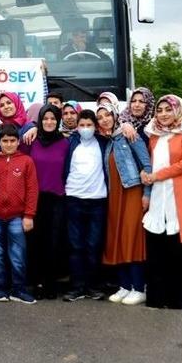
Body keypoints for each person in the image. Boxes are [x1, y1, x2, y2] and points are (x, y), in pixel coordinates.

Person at [141, 95, 182, 310]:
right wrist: (146, 174)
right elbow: (148, 162)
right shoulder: (153, 135)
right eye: (159, 110)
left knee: (179, 253)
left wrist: (157, 175)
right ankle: (156, 297)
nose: (163, 114)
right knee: (156, 251)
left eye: (168, 109)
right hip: (157, 198)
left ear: (178, 111)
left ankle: (177, 299)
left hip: (178, 197)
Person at [97, 103, 151, 305]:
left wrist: (147, 194)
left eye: (107, 115)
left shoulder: (129, 135)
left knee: (133, 239)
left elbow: (146, 165)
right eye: (100, 117)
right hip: (115, 196)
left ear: (115, 115)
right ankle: (124, 285)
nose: (104, 119)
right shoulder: (109, 141)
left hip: (132, 193)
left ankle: (139, 288)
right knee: (117, 238)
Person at [0, 124, 39, 304]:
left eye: (12, 141)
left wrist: (29, 215)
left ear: (18, 142)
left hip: (17, 216)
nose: (8, 144)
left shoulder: (26, 161)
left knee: (17, 255)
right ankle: (0, 289)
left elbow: (32, 189)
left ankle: (18, 289)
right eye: (5, 141)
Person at [22, 104, 69, 300]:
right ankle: (37, 283)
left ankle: (51, 283)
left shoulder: (66, 143)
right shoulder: (31, 140)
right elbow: (18, 161)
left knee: (54, 242)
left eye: (52, 118)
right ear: (39, 120)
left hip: (57, 199)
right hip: (34, 198)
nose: (49, 122)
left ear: (58, 121)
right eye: (45, 119)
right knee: (34, 241)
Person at [62, 109, 108, 301]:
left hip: (98, 201)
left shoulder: (105, 143)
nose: (85, 129)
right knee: (75, 245)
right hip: (73, 199)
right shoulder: (70, 142)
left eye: (89, 125)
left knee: (93, 245)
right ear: (77, 126)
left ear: (95, 127)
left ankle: (93, 286)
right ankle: (77, 287)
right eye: (82, 125)